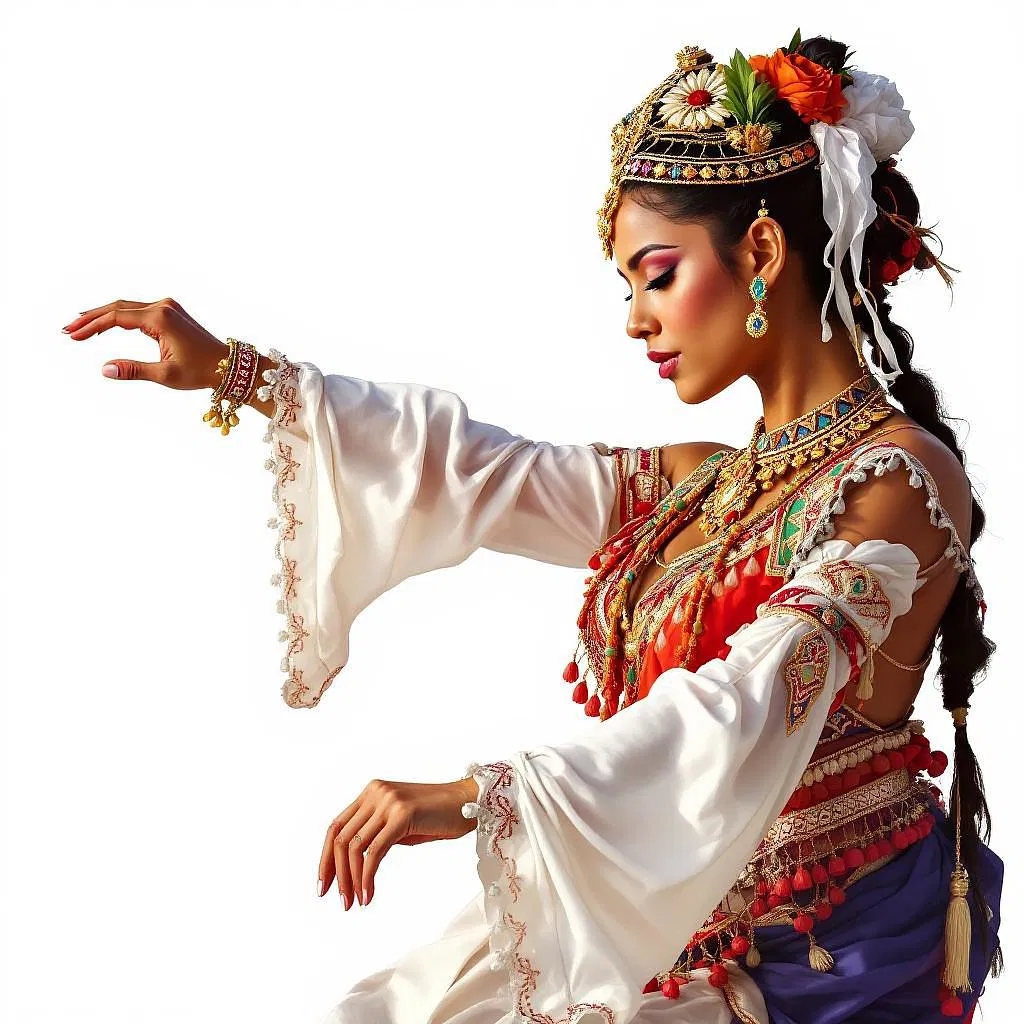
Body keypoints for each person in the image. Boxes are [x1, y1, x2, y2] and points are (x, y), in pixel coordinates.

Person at [63, 30, 1002, 1024]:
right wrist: (237, 374)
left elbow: (742, 708)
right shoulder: (704, 483)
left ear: (761, 252)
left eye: (655, 273)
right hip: (688, 936)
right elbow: (482, 473)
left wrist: (479, 795)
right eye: (628, 286)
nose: (636, 319)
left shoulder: (896, 480)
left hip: (818, 966)